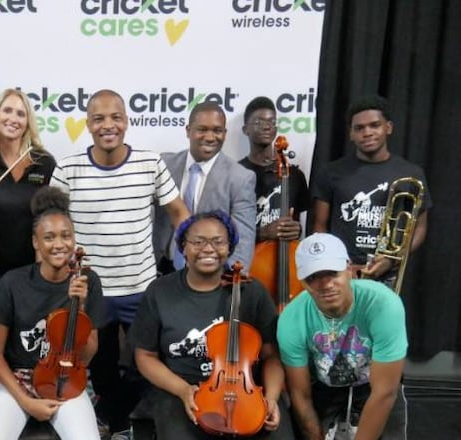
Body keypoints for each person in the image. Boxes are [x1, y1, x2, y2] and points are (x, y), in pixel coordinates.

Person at [50, 89, 191, 437]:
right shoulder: (68, 168)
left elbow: (178, 213)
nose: (107, 125)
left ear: (127, 122)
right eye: (99, 118)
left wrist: (192, 256)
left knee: (150, 363)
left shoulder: (149, 163)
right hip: (91, 290)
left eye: (115, 117)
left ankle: (109, 415)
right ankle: (119, 425)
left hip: (141, 287)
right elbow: (50, 226)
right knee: (102, 368)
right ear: (88, 124)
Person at [131, 210, 293, 440]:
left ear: (229, 247)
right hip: (182, 389)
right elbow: (145, 356)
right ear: (183, 247)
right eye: (198, 241)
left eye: (218, 242)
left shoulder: (252, 291)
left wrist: (272, 398)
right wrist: (183, 390)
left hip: (247, 391)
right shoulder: (160, 292)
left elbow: (271, 356)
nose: (208, 249)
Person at [0, 186, 105, 439]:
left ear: (74, 238)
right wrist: (26, 402)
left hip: (65, 380)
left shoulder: (87, 280)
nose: (59, 244)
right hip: (18, 381)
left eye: (66, 236)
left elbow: (87, 356)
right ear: (36, 242)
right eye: (49, 237)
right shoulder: (13, 282)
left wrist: (79, 307)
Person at [277, 232, 407, 439]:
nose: (326, 284)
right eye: (313, 278)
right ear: (302, 281)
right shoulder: (291, 319)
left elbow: (384, 392)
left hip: (373, 385)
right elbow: (300, 394)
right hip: (323, 386)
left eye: (332, 273)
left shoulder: (383, 304)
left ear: (348, 268)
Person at [311, 95, 432, 284]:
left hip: (389, 272)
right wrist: (336, 262)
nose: (367, 133)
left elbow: (420, 226)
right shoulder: (331, 172)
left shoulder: (411, 173)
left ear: (388, 128)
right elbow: (320, 225)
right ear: (351, 134)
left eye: (374, 125)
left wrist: (393, 259)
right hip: (342, 272)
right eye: (359, 128)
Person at [153, 101, 257, 274]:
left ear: (224, 133)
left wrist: (232, 281)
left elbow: (243, 239)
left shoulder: (240, 178)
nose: (210, 137)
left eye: (217, 131)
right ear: (188, 131)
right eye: (202, 129)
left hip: (211, 277)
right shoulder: (163, 165)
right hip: (161, 272)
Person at [0, 88, 56, 290]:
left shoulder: (44, 162)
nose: (13, 119)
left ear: (28, 123)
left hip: (36, 269)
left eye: (21, 114)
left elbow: (51, 218)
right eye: (7, 110)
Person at [239, 96, 309, 243]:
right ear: (246, 130)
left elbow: (300, 222)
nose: (267, 126)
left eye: (272, 122)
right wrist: (262, 233)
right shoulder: (235, 173)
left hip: (286, 256)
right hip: (247, 260)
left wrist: (298, 229)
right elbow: (227, 230)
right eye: (258, 122)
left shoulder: (294, 175)